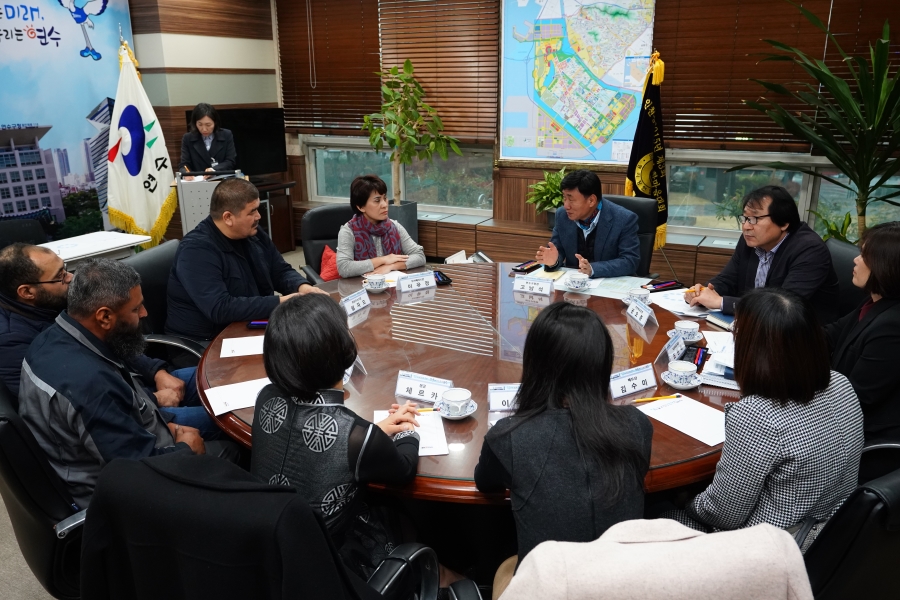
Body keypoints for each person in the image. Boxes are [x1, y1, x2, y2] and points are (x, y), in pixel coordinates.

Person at [18, 259, 241, 508]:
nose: (145, 313)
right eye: (136, 309)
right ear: (104, 317)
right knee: (235, 448)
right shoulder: (90, 385)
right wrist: (185, 450)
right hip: (122, 497)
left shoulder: (56, 336)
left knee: (225, 412)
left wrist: (162, 420)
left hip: (138, 431)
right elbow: (137, 472)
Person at [474, 302, 653, 596]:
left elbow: (484, 481)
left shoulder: (509, 436)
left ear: (534, 364)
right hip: (625, 585)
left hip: (550, 588)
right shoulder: (637, 425)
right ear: (602, 363)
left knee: (502, 556)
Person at [666, 288, 863, 549]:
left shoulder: (758, 415)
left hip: (771, 551)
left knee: (655, 514)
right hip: (834, 537)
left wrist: (682, 500)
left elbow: (722, 514)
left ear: (754, 351)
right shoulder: (841, 384)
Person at [250, 294, 427, 580]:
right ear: (343, 351)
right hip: (332, 559)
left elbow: (311, 438)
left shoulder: (265, 397)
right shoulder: (355, 434)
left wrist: (373, 431)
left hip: (266, 548)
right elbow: (404, 470)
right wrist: (410, 430)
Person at [0, 244, 219, 438]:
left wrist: (156, 372)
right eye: (59, 276)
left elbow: (115, 337)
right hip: (126, 411)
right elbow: (76, 405)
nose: (70, 278)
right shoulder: (12, 341)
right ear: (27, 292)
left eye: (65, 269)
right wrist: (153, 399)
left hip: (132, 384)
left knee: (221, 375)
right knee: (230, 416)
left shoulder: (52, 303)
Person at [167, 178, 328, 343]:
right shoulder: (196, 250)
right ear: (228, 217)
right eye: (252, 212)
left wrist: (304, 287)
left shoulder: (252, 233)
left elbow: (280, 271)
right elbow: (220, 308)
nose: (259, 216)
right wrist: (282, 301)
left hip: (248, 327)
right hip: (207, 343)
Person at [684, 185, 840, 323]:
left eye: (754, 219)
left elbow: (783, 308)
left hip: (800, 338)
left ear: (784, 223)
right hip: (755, 326)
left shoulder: (809, 250)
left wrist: (720, 302)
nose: (746, 226)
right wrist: (703, 292)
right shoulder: (751, 240)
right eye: (745, 218)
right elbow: (728, 278)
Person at [825, 221, 900, 442]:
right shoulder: (873, 302)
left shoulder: (892, 327)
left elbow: (856, 398)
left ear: (885, 266)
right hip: (839, 416)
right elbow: (829, 335)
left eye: (863, 255)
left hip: (862, 438)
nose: (855, 260)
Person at [535, 170, 640, 278]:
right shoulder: (562, 215)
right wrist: (554, 261)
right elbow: (557, 251)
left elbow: (630, 261)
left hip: (610, 284)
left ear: (591, 200)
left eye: (571, 200)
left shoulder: (624, 219)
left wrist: (593, 269)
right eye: (564, 198)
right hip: (574, 286)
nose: (566, 205)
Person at [336, 175, 425, 278]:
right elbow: (344, 268)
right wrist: (383, 260)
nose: (384, 204)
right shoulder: (348, 231)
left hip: (392, 286)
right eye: (377, 200)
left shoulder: (394, 226)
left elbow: (419, 255)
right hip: (360, 288)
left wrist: (392, 266)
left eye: (385, 198)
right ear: (361, 207)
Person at [178, 102, 237, 179]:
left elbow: (230, 161)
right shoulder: (188, 138)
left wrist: (213, 170)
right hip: (198, 183)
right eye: (200, 124)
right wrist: (186, 173)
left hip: (221, 180)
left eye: (208, 125)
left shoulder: (226, 135)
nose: (204, 129)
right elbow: (184, 164)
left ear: (215, 123)